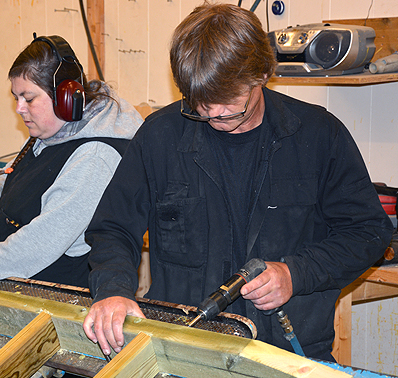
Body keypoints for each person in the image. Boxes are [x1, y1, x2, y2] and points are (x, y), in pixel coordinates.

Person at [82, 3, 393, 362]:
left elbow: (368, 233)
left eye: (228, 103)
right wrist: (113, 290)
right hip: (185, 350)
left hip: (289, 355)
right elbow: (112, 228)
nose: (214, 115)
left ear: (261, 74)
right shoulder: (160, 137)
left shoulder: (319, 136)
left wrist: (296, 273)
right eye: (200, 105)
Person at [0, 35, 142, 288]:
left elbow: (38, 244)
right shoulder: (53, 133)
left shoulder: (95, 157)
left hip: (55, 309)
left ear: (66, 97)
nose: (19, 109)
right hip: (18, 297)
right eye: (16, 98)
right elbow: (18, 173)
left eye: (29, 98)